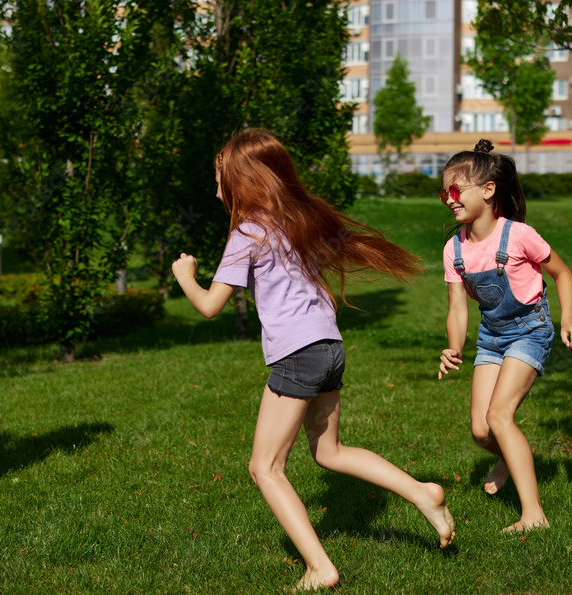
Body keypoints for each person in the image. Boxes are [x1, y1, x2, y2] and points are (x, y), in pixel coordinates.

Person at [172, 130, 455, 591]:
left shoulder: (249, 232)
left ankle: (320, 568)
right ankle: (421, 492)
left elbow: (208, 306)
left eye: (220, 178)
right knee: (329, 451)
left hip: (298, 354)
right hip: (329, 347)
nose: (216, 188)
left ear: (241, 181)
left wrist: (186, 275)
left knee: (265, 468)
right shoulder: (294, 221)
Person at [437, 139, 572, 533]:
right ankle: (511, 455)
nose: (450, 200)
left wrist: (570, 319)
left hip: (530, 330)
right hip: (492, 335)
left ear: (488, 190)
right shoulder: (453, 248)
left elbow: (563, 273)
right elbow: (458, 306)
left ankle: (533, 515)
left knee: (499, 415)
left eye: (456, 191)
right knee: (480, 429)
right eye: (444, 193)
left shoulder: (519, 235)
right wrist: (453, 348)